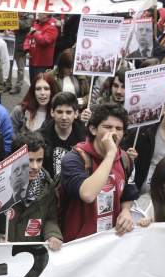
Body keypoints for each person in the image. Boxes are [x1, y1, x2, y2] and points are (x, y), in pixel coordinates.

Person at [59, 103, 137, 242]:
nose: (113, 133)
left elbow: (128, 193)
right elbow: (87, 194)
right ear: (93, 129)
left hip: (110, 241)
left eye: (119, 128)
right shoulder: (74, 159)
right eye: (107, 127)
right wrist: (110, 154)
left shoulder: (125, 160)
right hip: (78, 243)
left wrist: (126, 211)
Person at [5, 132, 62, 248]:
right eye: (29, 160)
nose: (35, 166)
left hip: (31, 253)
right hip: (4, 251)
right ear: (15, 159)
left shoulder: (47, 185)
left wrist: (53, 235)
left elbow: (50, 219)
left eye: (39, 160)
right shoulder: (0, 183)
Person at [41, 91, 87, 177]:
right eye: (59, 112)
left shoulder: (85, 138)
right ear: (52, 112)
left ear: (76, 114)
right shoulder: (41, 138)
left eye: (68, 112)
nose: (64, 117)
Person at [23, 13, 59, 80]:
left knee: (40, 84)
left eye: (40, 13)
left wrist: (35, 33)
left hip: (43, 64)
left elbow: (45, 41)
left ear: (46, 15)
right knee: (33, 84)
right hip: (33, 61)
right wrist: (27, 50)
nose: (38, 14)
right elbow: (28, 37)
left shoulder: (52, 28)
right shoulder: (36, 24)